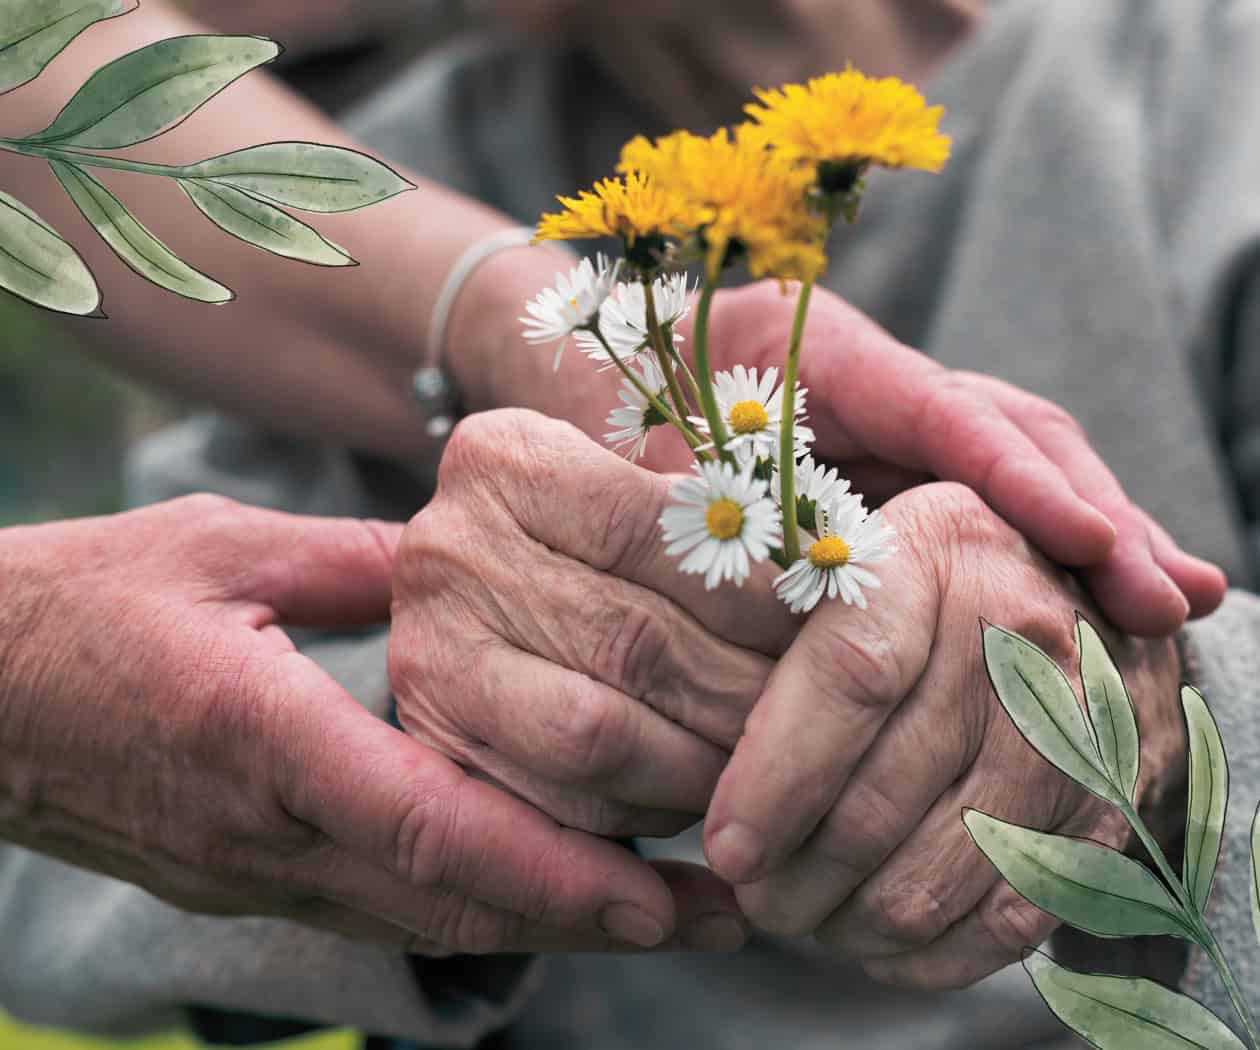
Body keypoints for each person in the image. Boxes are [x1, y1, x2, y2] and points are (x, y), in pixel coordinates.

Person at [0, 0, 1208, 1044]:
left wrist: (1160, 714)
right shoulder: (378, 175)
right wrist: (460, 726)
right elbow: (53, 870)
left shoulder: (1199, 103)